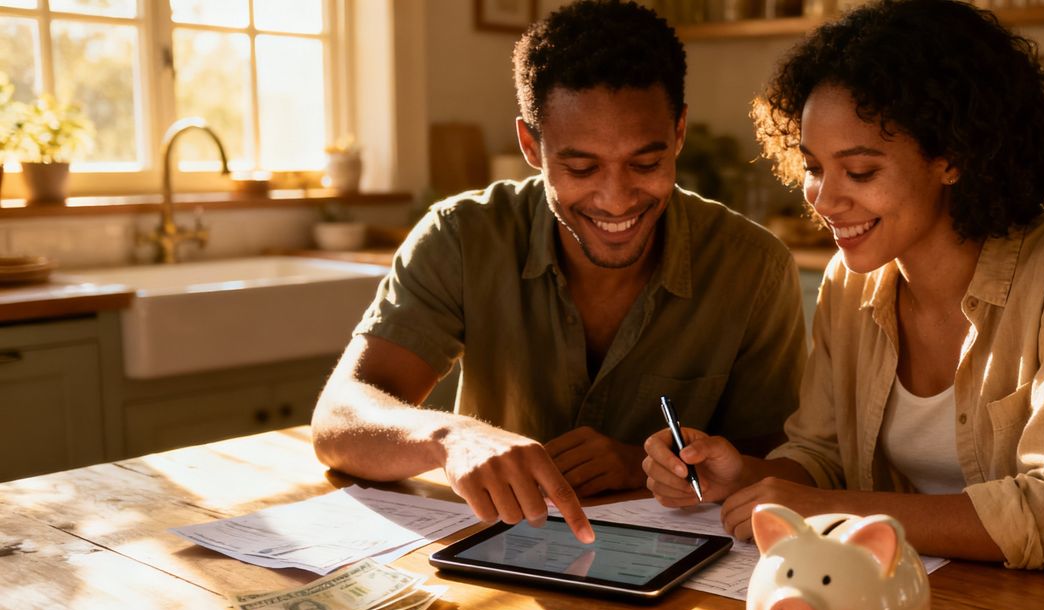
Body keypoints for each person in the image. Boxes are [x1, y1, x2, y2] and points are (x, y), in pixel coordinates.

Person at [642, 0, 1044, 591]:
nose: (823, 200)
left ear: (952, 157)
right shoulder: (850, 281)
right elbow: (824, 457)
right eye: (814, 168)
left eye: (860, 172)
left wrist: (839, 512)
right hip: (955, 591)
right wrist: (744, 476)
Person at [312, 0, 807, 544]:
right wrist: (450, 436)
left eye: (646, 163)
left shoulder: (753, 267)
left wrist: (644, 466)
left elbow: (780, 468)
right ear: (531, 145)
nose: (616, 199)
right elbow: (338, 421)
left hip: (679, 573)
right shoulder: (462, 237)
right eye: (581, 167)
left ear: (679, 132)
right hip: (492, 562)